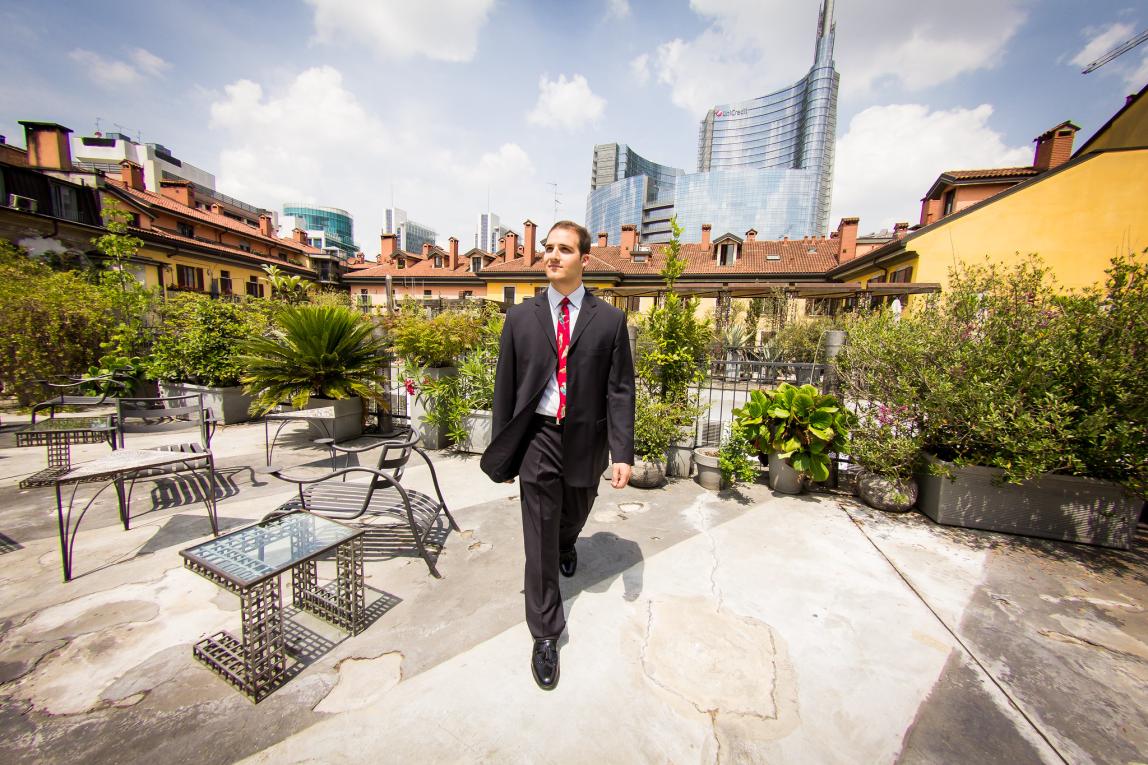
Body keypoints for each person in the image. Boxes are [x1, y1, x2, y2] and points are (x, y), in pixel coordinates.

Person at [480, 220, 635, 690]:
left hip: (586, 438)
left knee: (575, 511)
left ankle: (570, 541)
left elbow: (620, 390)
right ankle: (546, 632)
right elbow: (504, 387)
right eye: (548, 248)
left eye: (563, 249)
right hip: (538, 437)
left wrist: (622, 451)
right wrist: (504, 451)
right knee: (539, 538)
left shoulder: (609, 320)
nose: (552, 255)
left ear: (583, 259)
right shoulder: (519, 319)